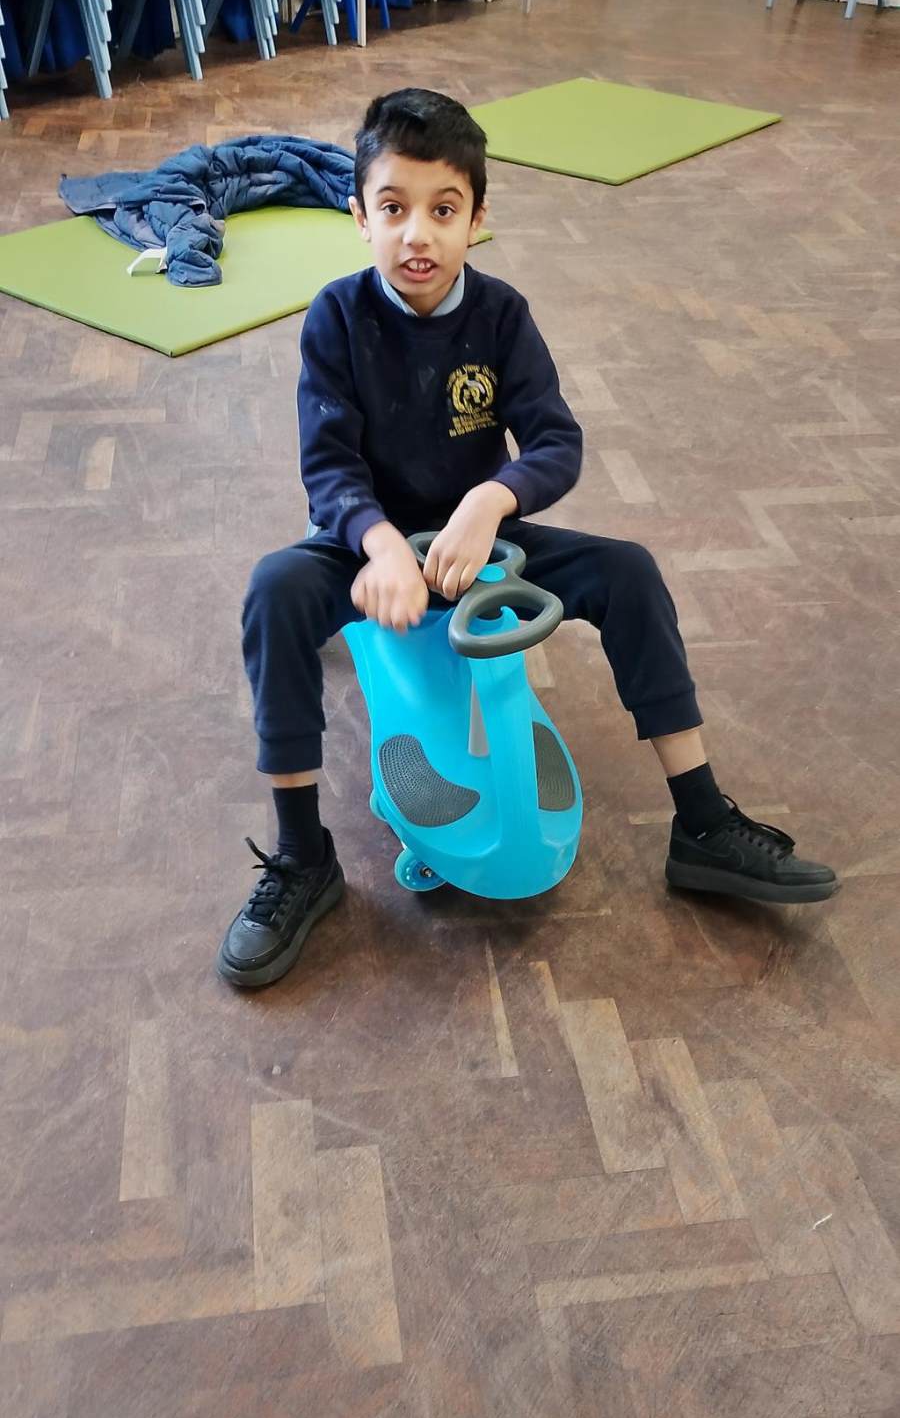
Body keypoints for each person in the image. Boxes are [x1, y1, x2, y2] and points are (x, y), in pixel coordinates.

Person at [217, 88, 838, 988]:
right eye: (393, 209)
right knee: (274, 592)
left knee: (628, 572)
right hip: (371, 543)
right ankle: (303, 858)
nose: (417, 235)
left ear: (478, 218)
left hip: (480, 547)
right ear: (359, 217)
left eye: (443, 210)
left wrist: (490, 500)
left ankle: (702, 821)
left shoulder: (502, 316)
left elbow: (554, 441)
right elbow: (328, 464)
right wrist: (377, 541)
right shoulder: (336, 317)